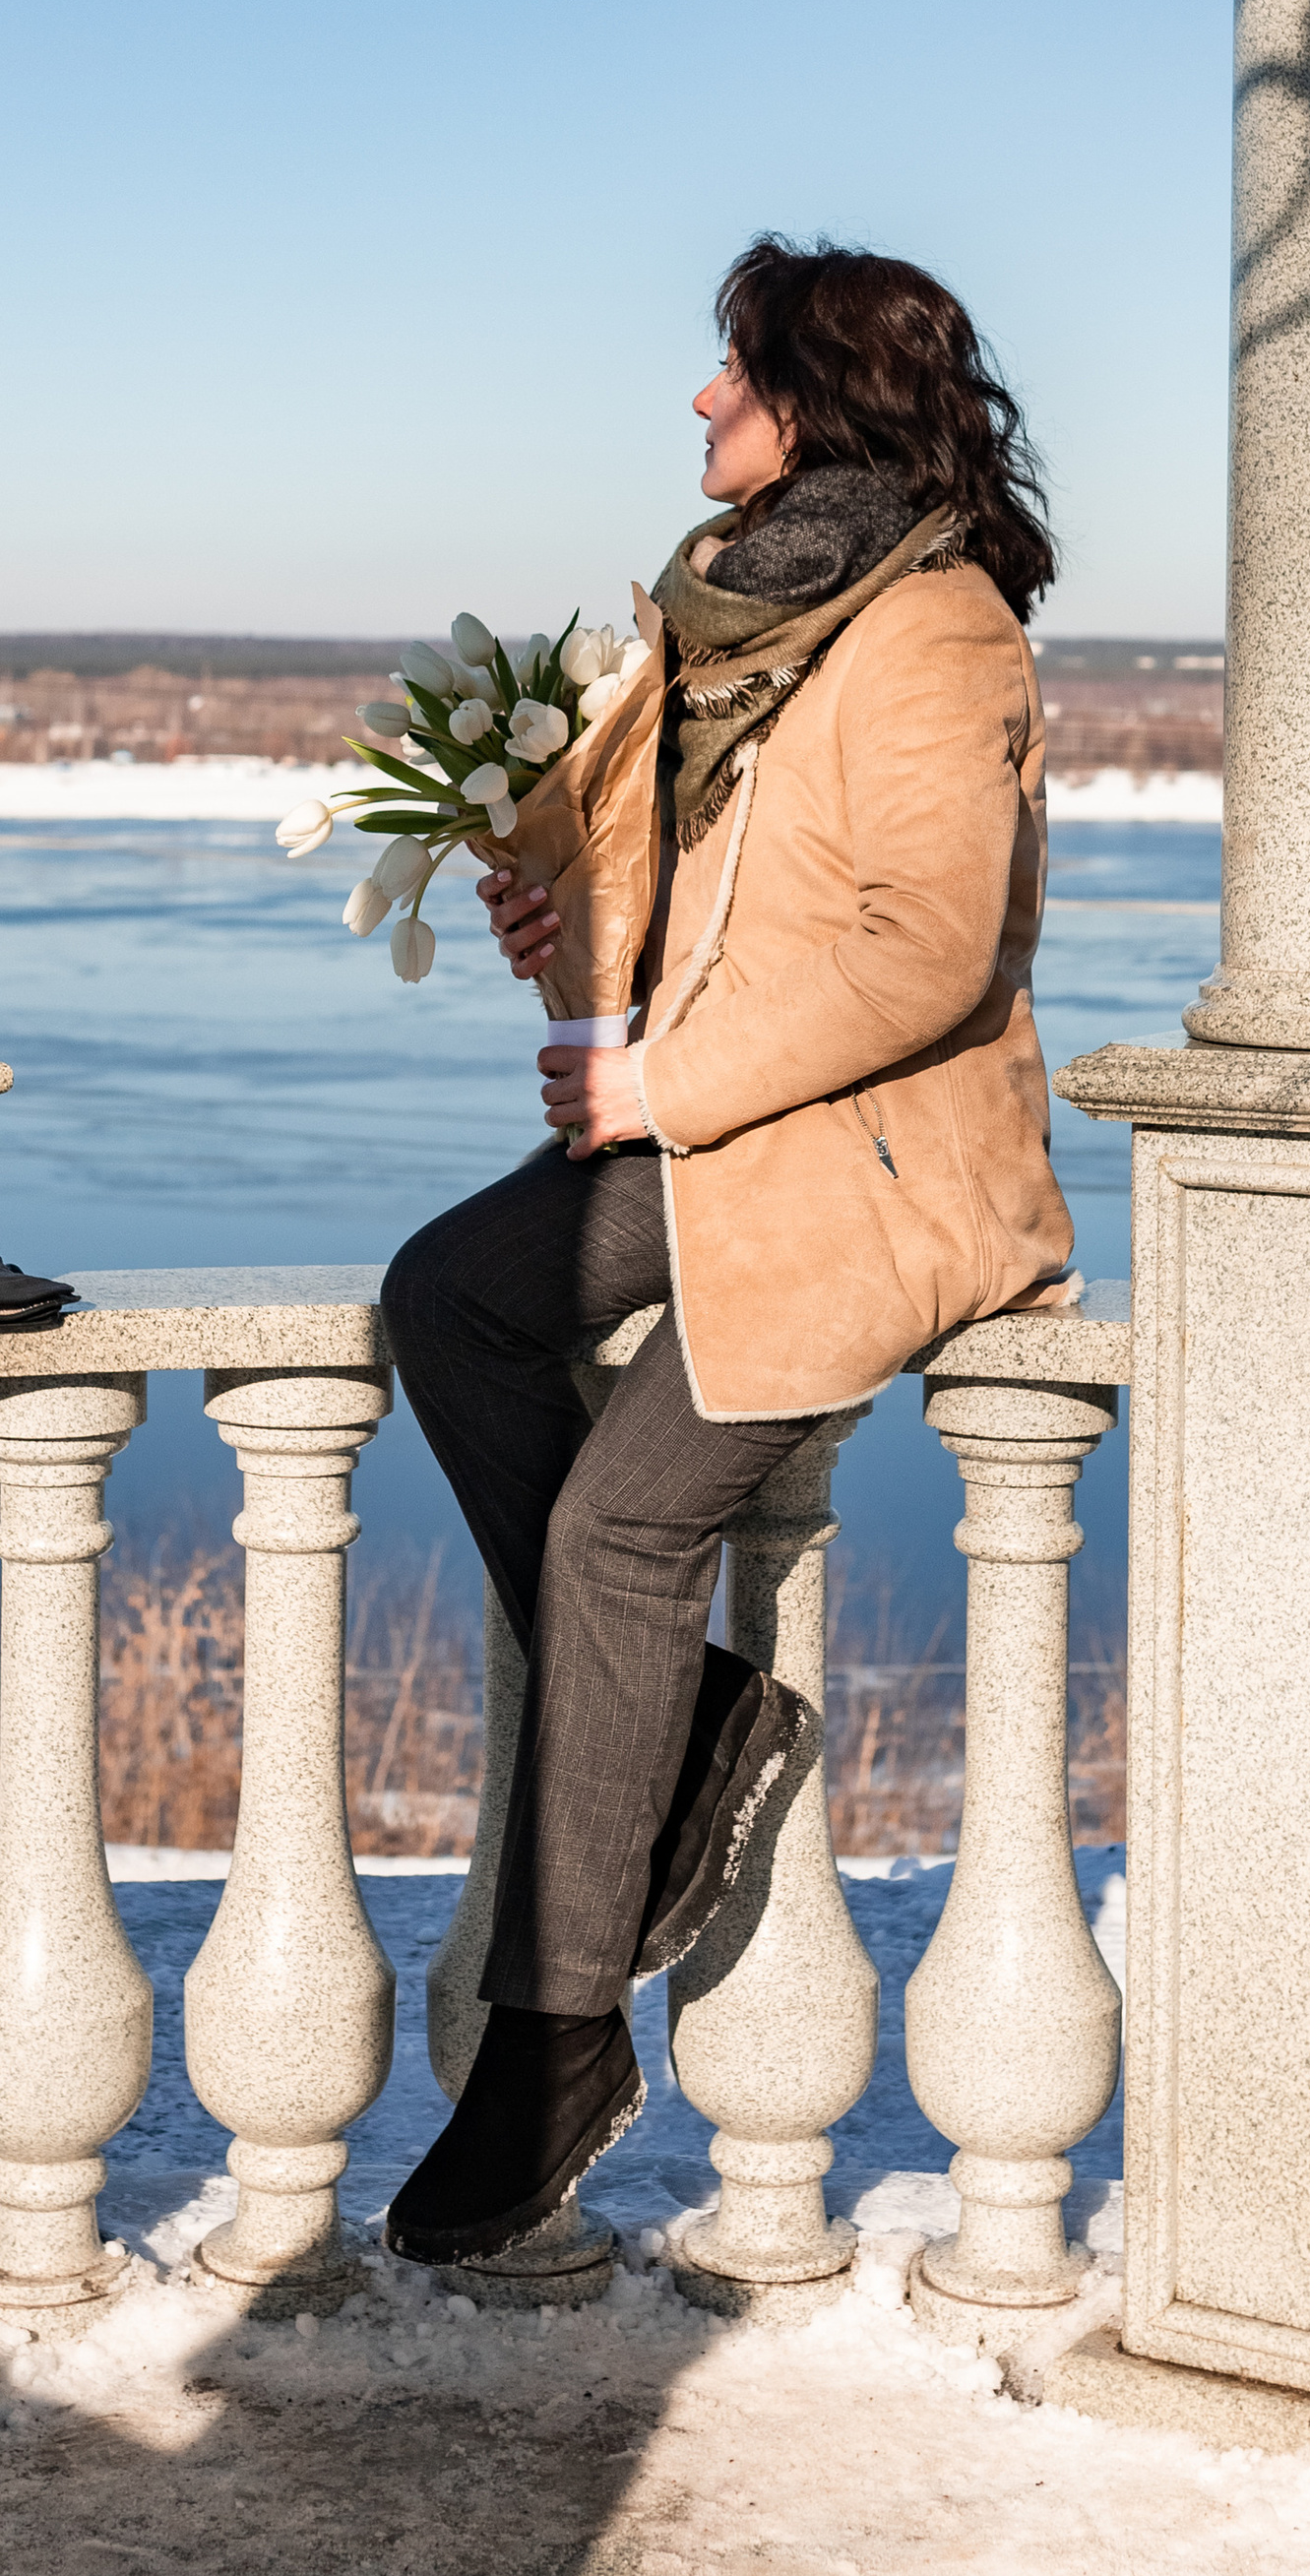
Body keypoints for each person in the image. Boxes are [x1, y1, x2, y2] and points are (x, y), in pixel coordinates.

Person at [382, 235, 1077, 2268]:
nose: (698, 403)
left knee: (611, 1532)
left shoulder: (937, 628)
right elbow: (692, 900)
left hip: (867, 1172)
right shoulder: (731, 615)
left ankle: (558, 2038)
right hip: (716, 1142)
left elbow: (922, 952)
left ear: (820, 394)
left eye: (733, 373)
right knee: (452, 1294)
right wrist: (562, 929)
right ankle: (682, 1724)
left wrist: (654, 1092)